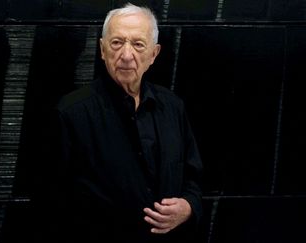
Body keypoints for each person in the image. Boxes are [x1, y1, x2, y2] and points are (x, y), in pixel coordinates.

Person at [38, 2, 203, 243]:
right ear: (102, 50)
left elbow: (194, 177)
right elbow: (48, 200)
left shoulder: (173, 107)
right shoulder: (70, 112)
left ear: (154, 54)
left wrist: (189, 207)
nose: (126, 55)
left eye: (138, 44)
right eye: (117, 43)